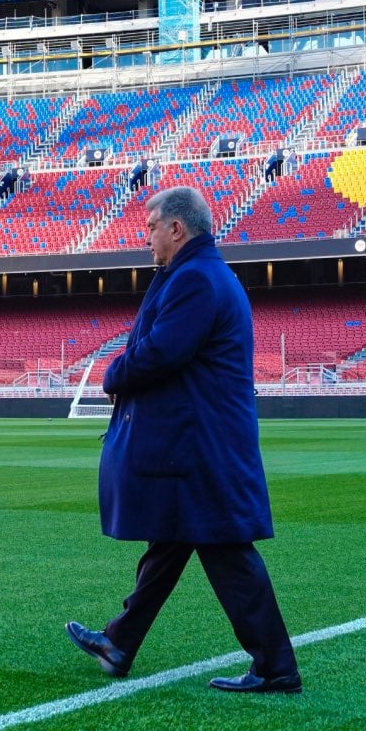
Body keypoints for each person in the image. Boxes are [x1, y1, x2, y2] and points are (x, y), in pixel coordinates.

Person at [65, 186, 300, 695]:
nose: (145, 237)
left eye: (150, 227)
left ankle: (276, 666)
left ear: (177, 228)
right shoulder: (203, 273)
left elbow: (160, 353)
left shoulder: (194, 279)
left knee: (227, 552)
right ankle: (118, 642)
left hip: (201, 445)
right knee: (169, 543)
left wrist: (111, 374)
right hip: (198, 443)